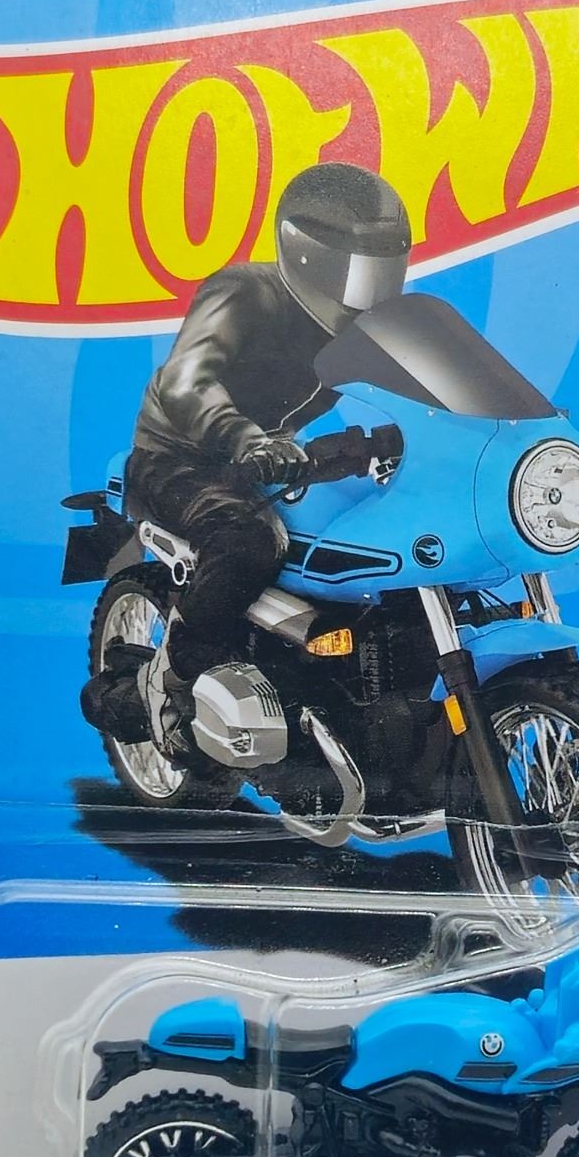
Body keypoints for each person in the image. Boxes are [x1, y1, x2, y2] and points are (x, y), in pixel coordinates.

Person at [124, 162, 412, 753]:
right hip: (179, 456)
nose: (373, 292)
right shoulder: (244, 292)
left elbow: (418, 384)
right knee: (250, 540)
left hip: (275, 458)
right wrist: (246, 439)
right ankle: (176, 671)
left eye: (385, 272)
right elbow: (186, 380)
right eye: (360, 272)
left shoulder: (365, 329)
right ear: (305, 254)